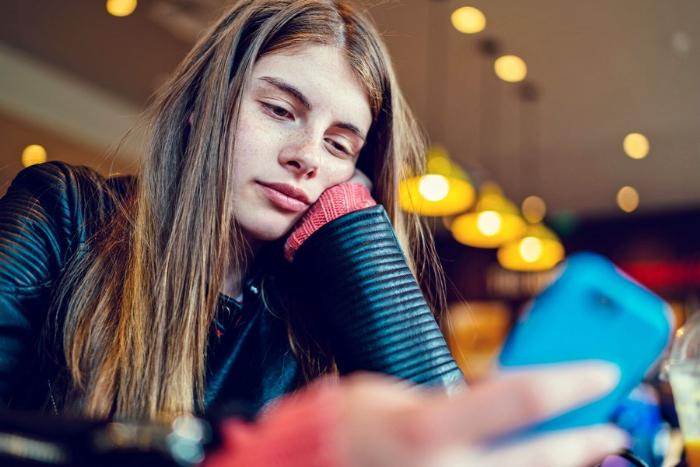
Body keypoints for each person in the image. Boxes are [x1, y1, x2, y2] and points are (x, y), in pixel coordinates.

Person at [0, 0, 627, 465]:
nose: (307, 156)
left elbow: (451, 444)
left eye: (338, 143)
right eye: (278, 110)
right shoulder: (63, 213)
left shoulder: (313, 298)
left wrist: (353, 232)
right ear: (203, 107)